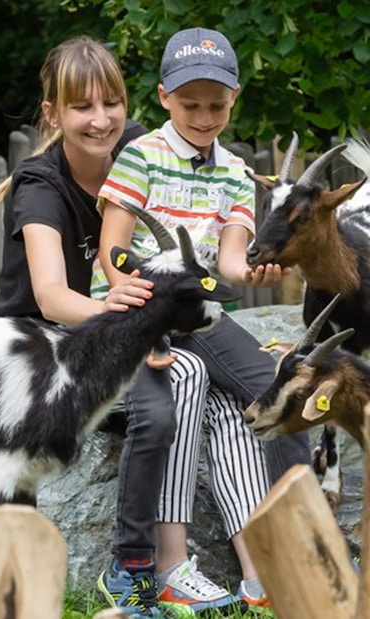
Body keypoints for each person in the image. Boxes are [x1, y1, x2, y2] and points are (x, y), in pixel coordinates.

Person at [0, 35, 220, 619]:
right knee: (172, 390)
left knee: (242, 380)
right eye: (82, 107)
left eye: (111, 103)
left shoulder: (142, 148)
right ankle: (131, 568)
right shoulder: (40, 187)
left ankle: (265, 560)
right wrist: (138, 324)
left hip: (123, 326)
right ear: (53, 114)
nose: (101, 120)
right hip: (47, 349)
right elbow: (53, 297)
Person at [94, 26, 312, 616]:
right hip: (136, 308)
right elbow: (111, 250)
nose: (204, 115)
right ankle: (165, 563)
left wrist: (261, 272)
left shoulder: (236, 172)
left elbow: (235, 260)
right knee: (185, 380)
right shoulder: (140, 155)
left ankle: (288, 549)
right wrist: (131, 309)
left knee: (281, 388)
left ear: (233, 99)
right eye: (190, 104)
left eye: (216, 104)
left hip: (201, 311)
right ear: (164, 97)